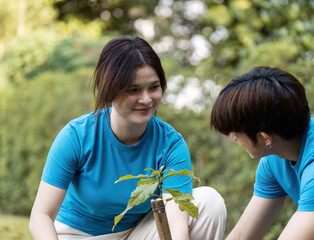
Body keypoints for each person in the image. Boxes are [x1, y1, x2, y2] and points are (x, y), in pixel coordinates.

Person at [29, 36, 227, 240]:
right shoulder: (76, 137)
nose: (146, 99)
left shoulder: (171, 144)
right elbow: (41, 215)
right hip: (78, 235)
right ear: (110, 89)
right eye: (134, 90)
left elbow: (177, 225)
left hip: (138, 232)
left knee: (209, 202)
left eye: (153, 87)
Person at [210, 66, 314, 240]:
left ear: (265, 137)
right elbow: (243, 235)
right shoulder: (275, 160)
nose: (232, 137)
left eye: (235, 132)